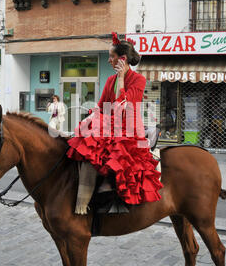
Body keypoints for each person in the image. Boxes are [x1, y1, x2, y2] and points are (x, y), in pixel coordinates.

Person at [67, 33, 163, 210]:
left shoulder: (138, 80)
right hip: (110, 124)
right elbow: (102, 105)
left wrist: (120, 79)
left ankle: (107, 188)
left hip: (129, 126)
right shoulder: (109, 80)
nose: (108, 60)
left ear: (122, 59)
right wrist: (90, 117)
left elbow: (123, 104)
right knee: (86, 140)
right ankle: (83, 199)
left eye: (111, 57)